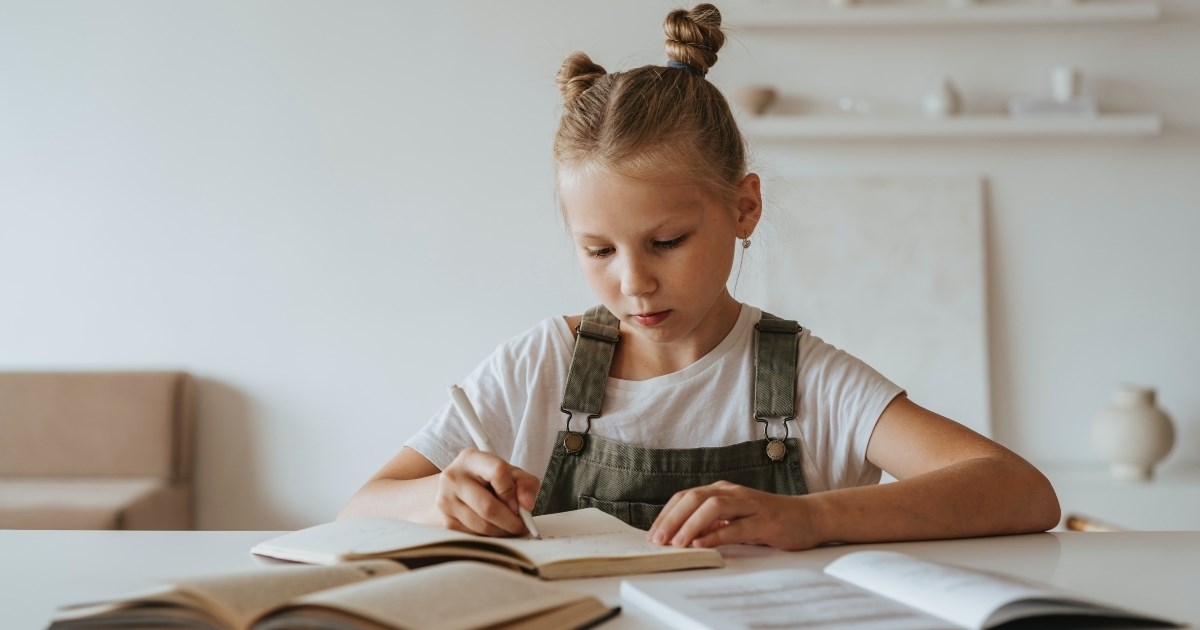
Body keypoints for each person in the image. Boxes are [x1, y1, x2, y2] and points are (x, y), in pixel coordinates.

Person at [339, 4, 1060, 551]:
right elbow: (361, 506)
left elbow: (1021, 492)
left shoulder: (804, 378)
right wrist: (439, 499)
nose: (634, 283)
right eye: (598, 251)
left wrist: (809, 516)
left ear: (744, 208)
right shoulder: (541, 367)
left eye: (666, 241)